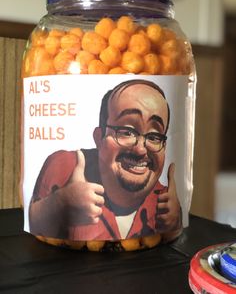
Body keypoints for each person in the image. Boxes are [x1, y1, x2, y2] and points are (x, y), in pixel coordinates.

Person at [29, 79, 182, 241]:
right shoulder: (64, 165)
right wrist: (60, 202)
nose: (140, 149)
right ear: (99, 137)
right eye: (127, 131)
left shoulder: (165, 201)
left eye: (154, 136)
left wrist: (175, 220)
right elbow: (33, 225)